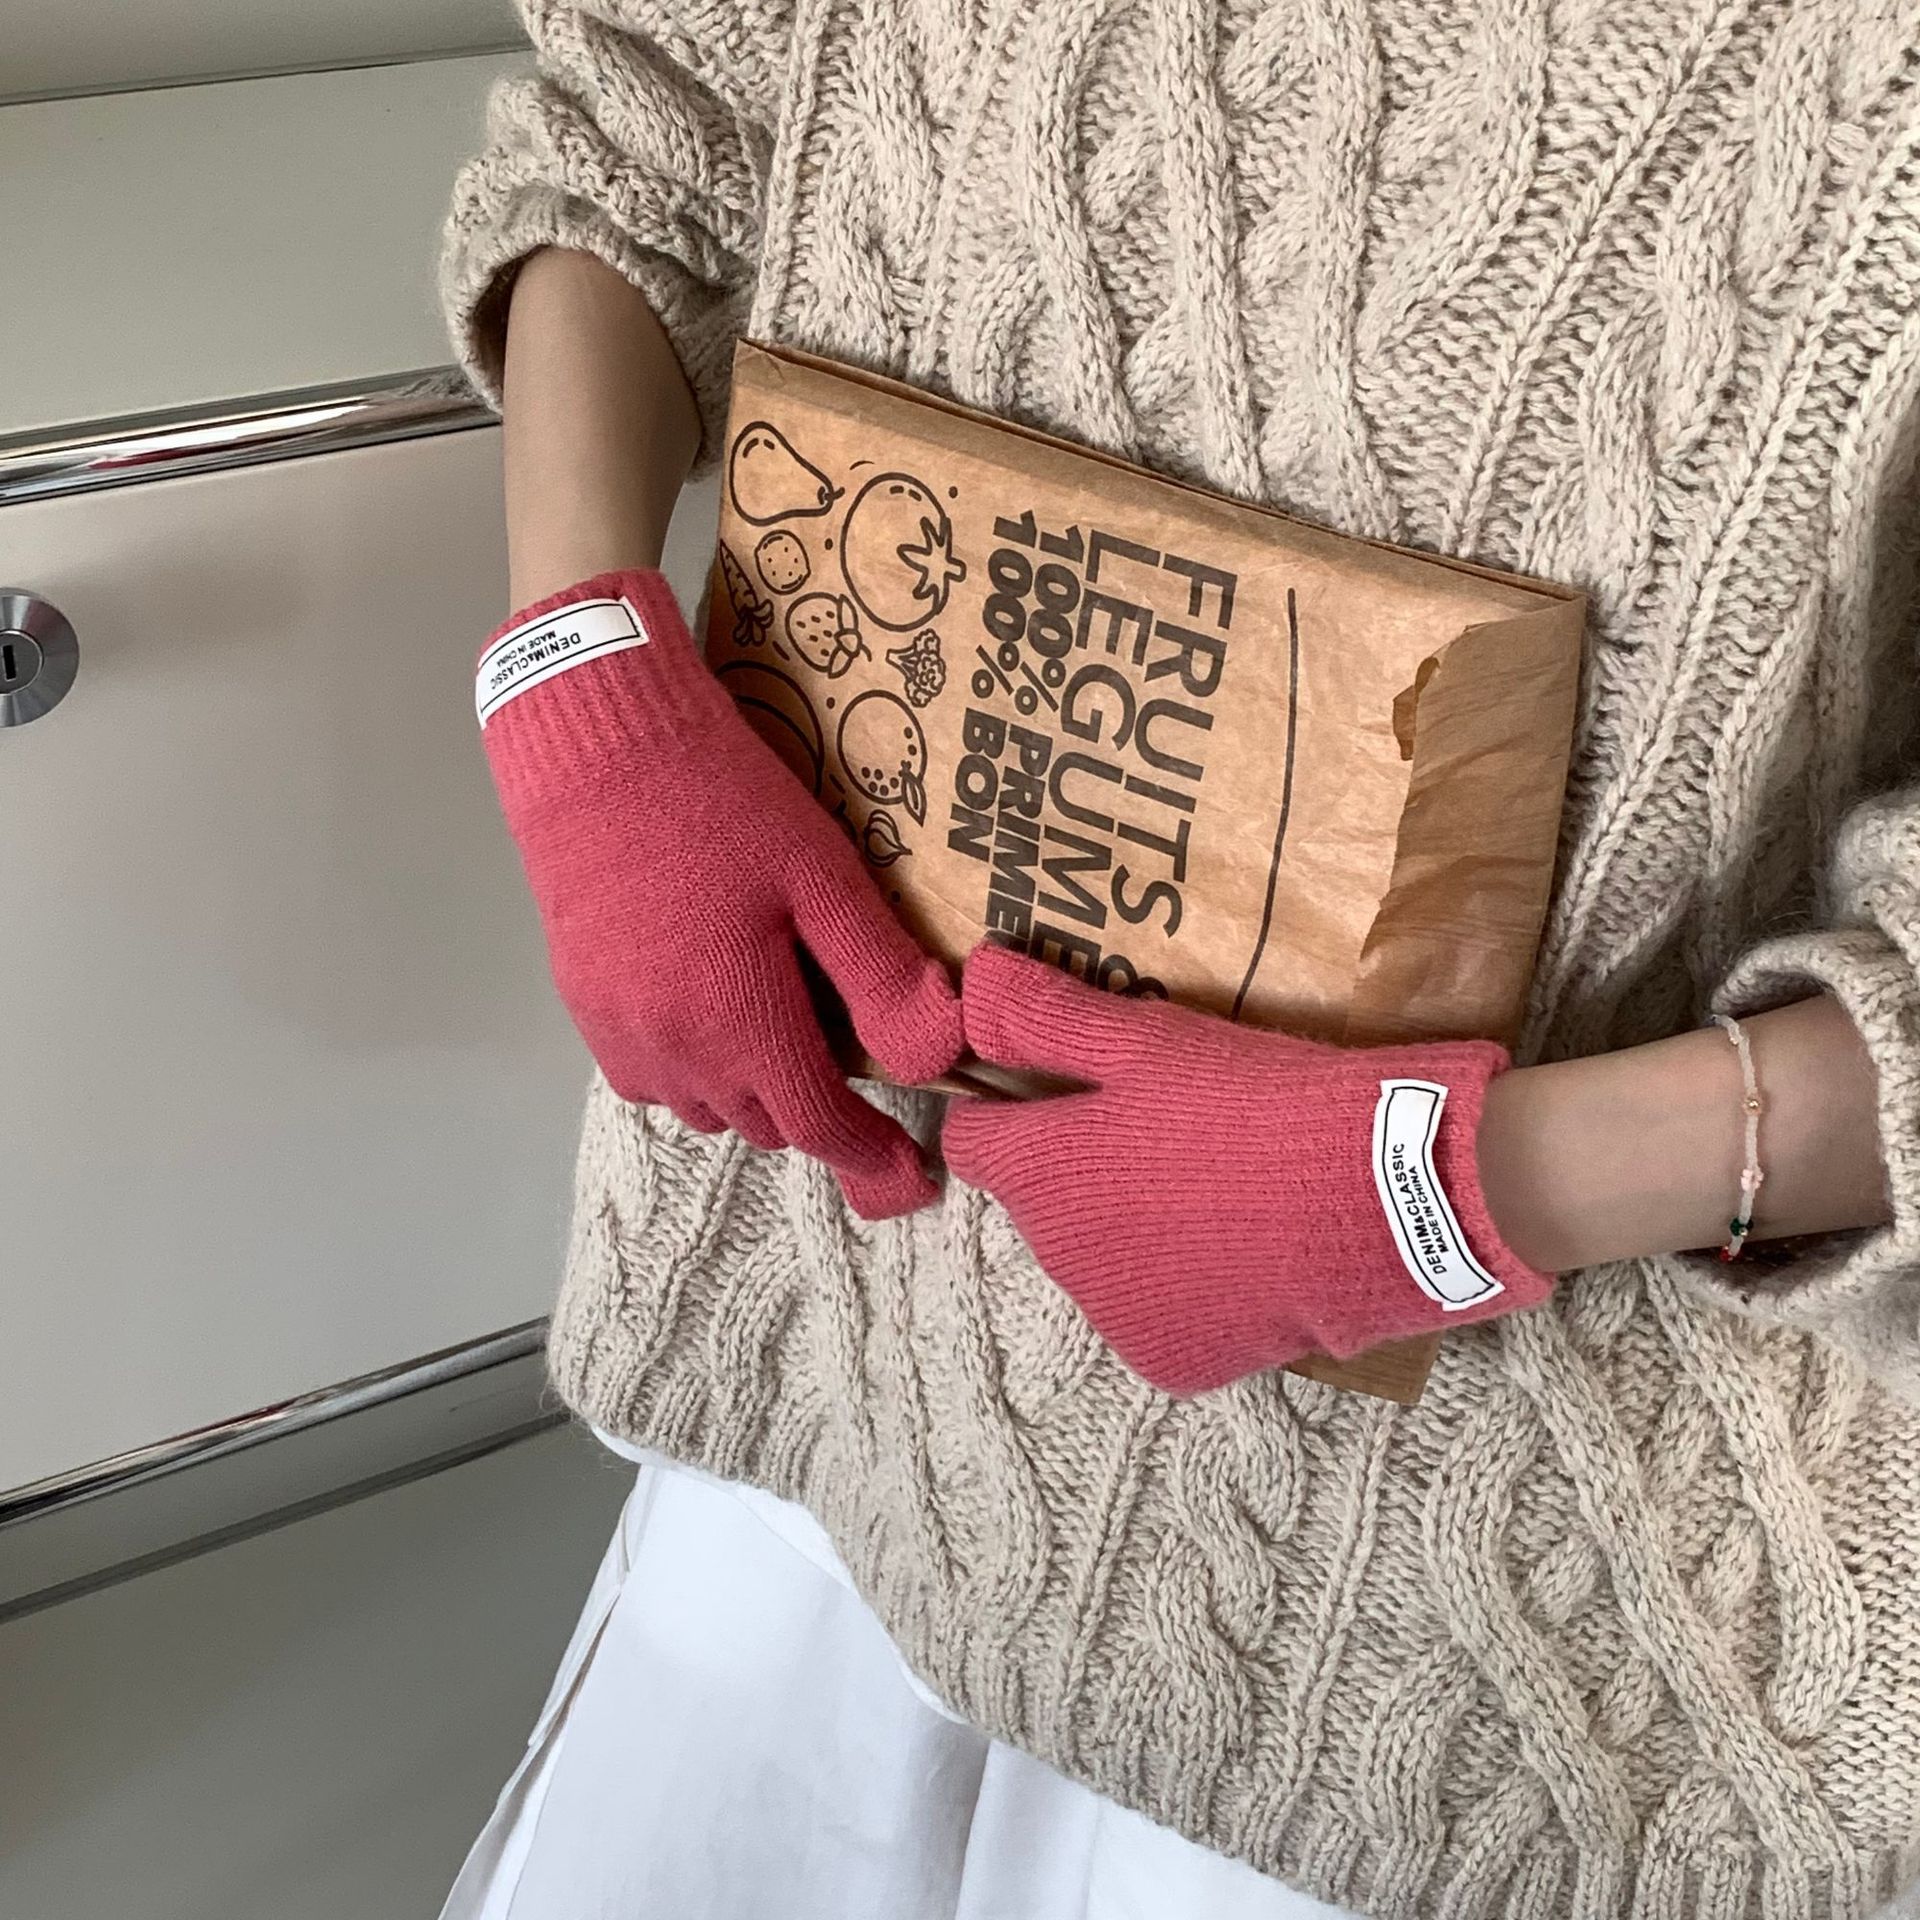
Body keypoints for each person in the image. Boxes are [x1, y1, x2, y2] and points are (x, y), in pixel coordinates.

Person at [436, 2, 1920, 1915]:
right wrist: (580, 691)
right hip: (834, 1337)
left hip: (1480, 1616)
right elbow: (655, 108)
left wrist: (1469, 1183)